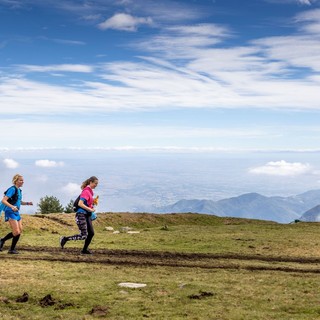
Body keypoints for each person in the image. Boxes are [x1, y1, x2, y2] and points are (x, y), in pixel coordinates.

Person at [60, 176, 98, 254]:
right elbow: (80, 204)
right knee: (83, 235)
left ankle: (84, 250)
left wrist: (93, 202)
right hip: (81, 215)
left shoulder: (90, 192)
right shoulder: (86, 191)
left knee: (91, 233)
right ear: (90, 182)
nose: (96, 185)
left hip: (87, 215)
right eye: (95, 183)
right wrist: (90, 209)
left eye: (97, 184)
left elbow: (87, 203)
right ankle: (65, 239)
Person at [0, 174, 33, 254]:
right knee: (16, 231)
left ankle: (7, 245)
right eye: (20, 180)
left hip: (16, 212)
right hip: (10, 211)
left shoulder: (19, 190)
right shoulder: (12, 189)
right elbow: (4, 200)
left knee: (19, 231)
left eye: (23, 180)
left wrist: (27, 203)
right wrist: (12, 207)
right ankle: (6, 244)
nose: (23, 182)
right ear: (16, 181)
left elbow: (18, 202)